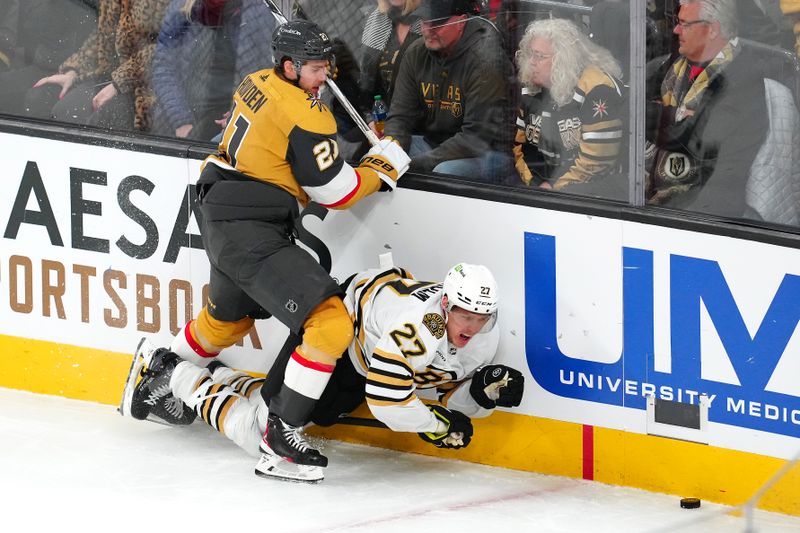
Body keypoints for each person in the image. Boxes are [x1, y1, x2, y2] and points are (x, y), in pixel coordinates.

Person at [120, 19, 411, 481]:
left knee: (227, 321)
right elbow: (335, 190)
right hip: (251, 225)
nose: (326, 77)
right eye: (317, 69)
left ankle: (157, 371)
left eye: (327, 67)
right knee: (331, 323)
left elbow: (285, 147)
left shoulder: (256, 81)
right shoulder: (307, 113)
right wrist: (381, 166)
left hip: (219, 206)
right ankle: (282, 440)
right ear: (291, 66)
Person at [121, 263, 525, 483]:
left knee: (307, 415)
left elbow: (441, 385)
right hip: (334, 331)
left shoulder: (482, 335)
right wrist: (435, 422)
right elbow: (387, 397)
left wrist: (478, 395)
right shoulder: (424, 325)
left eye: (481, 317)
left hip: (363, 354)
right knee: (261, 435)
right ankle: (169, 368)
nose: (471, 327)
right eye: (465, 315)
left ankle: (224, 380)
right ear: (445, 305)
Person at [645, 0, 772, 217]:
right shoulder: (671, 68)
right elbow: (632, 110)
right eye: (677, 21)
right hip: (656, 185)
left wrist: (661, 116)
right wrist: (678, 116)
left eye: (684, 23)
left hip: (700, 202)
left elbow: (703, 143)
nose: (675, 30)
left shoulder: (741, 81)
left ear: (712, 30)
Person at [383, 0, 518, 184]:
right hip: (434, 144)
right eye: (424, 21)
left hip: (488, 153)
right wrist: (391, 151)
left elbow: (475, 138)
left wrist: (417, 164)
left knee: (443, 171)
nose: (428, 29)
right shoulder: (416, 53)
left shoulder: (486, 60)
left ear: (461, 21)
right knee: (384, 154)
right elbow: (400, 117)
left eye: (437, 23)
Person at [512, 18, 626, 198]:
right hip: (544, 187)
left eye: (540, 56)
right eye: (531, 54)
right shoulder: (532, 89)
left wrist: (552, 188)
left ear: (564, 58)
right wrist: (536, 184)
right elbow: (520, 147)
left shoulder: (597, 89)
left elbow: (595, 163)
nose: (532, 62)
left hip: (594, 194)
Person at [23, 0, 171, 132]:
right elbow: (103, 36)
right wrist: (73, 71)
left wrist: (119, 82)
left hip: (148, 87)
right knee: (44, 100)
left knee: (96, 118)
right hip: (109, 77)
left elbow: (169, 48)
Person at [150, 0, 276, 140]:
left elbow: (264, 75)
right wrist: (181, 121)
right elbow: (163, 67)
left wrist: (240, 112)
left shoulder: (257, 11)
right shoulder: (182, 7)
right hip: (182, 120)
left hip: (233, 123)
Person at [0, 0, 96, 115]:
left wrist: (72, 71)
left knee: (37, 99)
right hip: (38, 64)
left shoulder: (84, 8)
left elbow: (99, 44)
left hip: (68, 72)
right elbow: (8, 38)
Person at [358, 0, 422, 135]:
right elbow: (367, 82)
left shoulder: (434, 21)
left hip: (421, 128)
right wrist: (371, 120)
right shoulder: (377, 19)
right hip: (383, 122)